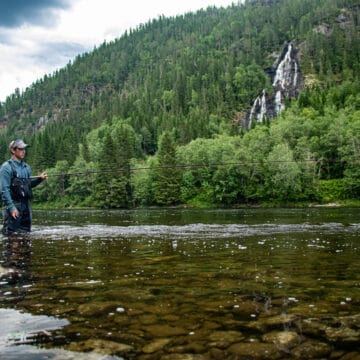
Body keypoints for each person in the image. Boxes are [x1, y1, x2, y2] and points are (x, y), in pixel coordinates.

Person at [0, 139, 48, 235]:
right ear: (13, 150)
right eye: (21, 148)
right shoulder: (6, 167)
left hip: (26, 206)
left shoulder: (27, 167)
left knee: (26, 236)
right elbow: (4, 190)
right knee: (11, 238)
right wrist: (11, 207)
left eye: (24, 149)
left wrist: (40, 179)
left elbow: (29, 185)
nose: (23, 151)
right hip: (14, 205)